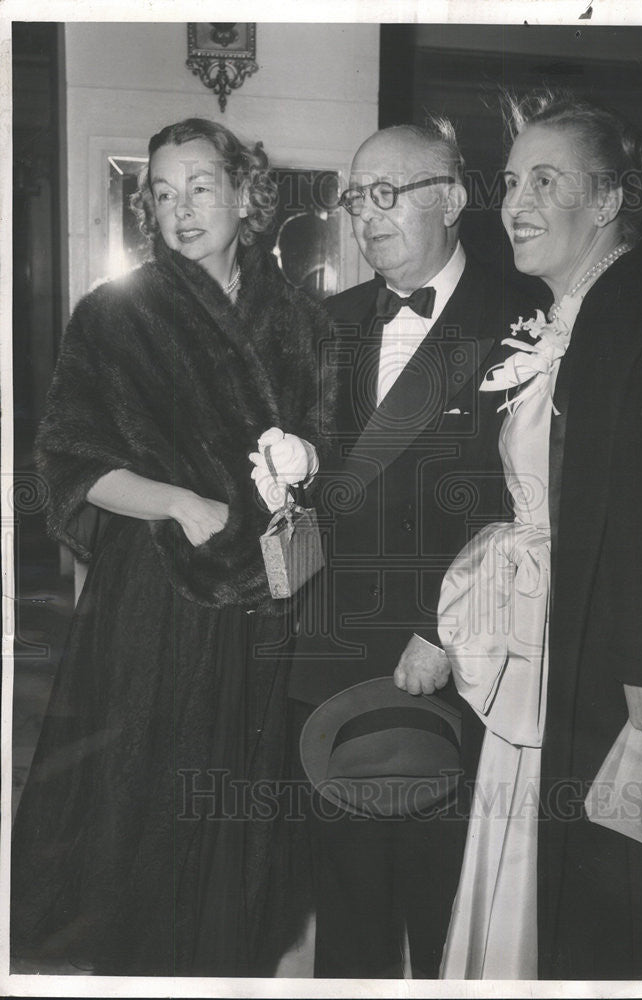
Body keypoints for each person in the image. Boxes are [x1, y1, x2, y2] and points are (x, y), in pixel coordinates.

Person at [437, 87, 642, 980]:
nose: (518, 202)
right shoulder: (586, 307)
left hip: (608, 656)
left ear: (609, 201)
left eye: (546, 180)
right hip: (543, 640)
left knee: (597, 889)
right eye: (508, 182)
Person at [11, 118, 335, 976]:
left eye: (198, 187)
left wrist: (304, 458)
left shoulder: (299, 317)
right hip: (153, 601)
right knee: (147, 813)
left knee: (241, 816)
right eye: (162, 192)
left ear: (242, 192)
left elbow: (329, 445)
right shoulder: (115, 314)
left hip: (265, 604)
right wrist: (179, 503)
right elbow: (68, 464)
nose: (180, 209)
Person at [288, 120, 535, 978]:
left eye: (387, 194)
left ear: (454, 198)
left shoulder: (522, 323)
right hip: (328, 659)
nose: (365, 216)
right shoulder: (328, 321)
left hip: (446, 661)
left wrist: (442, 630)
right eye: (357, 198)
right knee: (346, 913)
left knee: (441, 909)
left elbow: (523, 509)